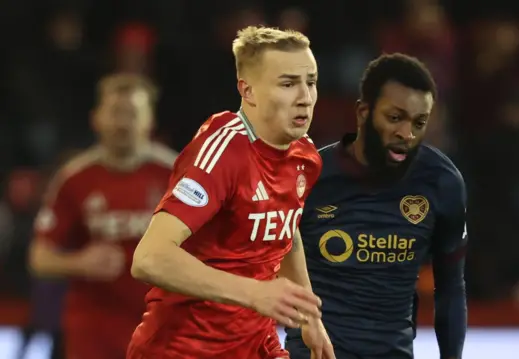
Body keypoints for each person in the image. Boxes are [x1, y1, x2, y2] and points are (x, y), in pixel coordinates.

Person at [126, 26, 334, 359]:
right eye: (288, 83)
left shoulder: (305, 155)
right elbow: (149, 258)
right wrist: (254, 293)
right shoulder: (222, 152)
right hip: (183, 348)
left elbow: (285, 229)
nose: (305, 97)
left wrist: (309, 317)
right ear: (247, 91)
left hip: (255, 342)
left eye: (310, 82)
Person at [285, 53, 468, 359]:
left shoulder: (442, 183)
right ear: (363, 112)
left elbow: (450, 287)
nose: (406, 134)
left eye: (418, 122)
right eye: (395, 118)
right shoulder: (309, 177)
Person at [28, 73, 177, 359]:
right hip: (93, 332)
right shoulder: (74, 179)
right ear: (95, 118)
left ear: (150, 121)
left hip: (163, 326)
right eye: (115, 113)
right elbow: (39, 257)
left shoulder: (176, 175)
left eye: (132, 114)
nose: (122, 123)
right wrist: (79, 262)